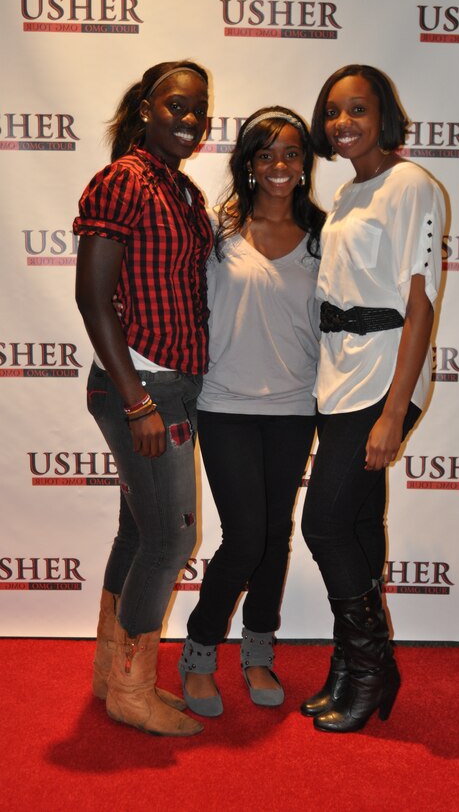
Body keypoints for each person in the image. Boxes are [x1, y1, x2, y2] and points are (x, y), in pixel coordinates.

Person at [300, 65, 446, 733]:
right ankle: (350, 665)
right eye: (333, 111)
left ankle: (371, 666)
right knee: (355, 523)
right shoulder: (347, 192)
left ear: (383, 114)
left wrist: (393, 412)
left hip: (383, 375)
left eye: (357, 109)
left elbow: (420, 305)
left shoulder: (410, 184)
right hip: (339, 376)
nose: (343, 123)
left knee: (324, 524)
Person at [74, 60, 213, 737]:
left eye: (198, 109)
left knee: (139, 531)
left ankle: (111, 673)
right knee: (171, 537)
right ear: (145, 110)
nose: (189, 119)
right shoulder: (123, 180)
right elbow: (92, 299)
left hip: (171, 383)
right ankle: (131, 691)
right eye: (175, 106)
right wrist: (137, 403)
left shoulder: (178, 188)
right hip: (143, 387)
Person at [178, 107, 325, 716]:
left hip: (296, 406)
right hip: (225, 403)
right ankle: (199, 652)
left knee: (274, 533)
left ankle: (258, 650)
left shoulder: (324, 234)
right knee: (244, 537)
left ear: (305, 163)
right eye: (265, 155)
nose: (279, 166)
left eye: (291, 153)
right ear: (247, 164)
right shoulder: (216, 232)